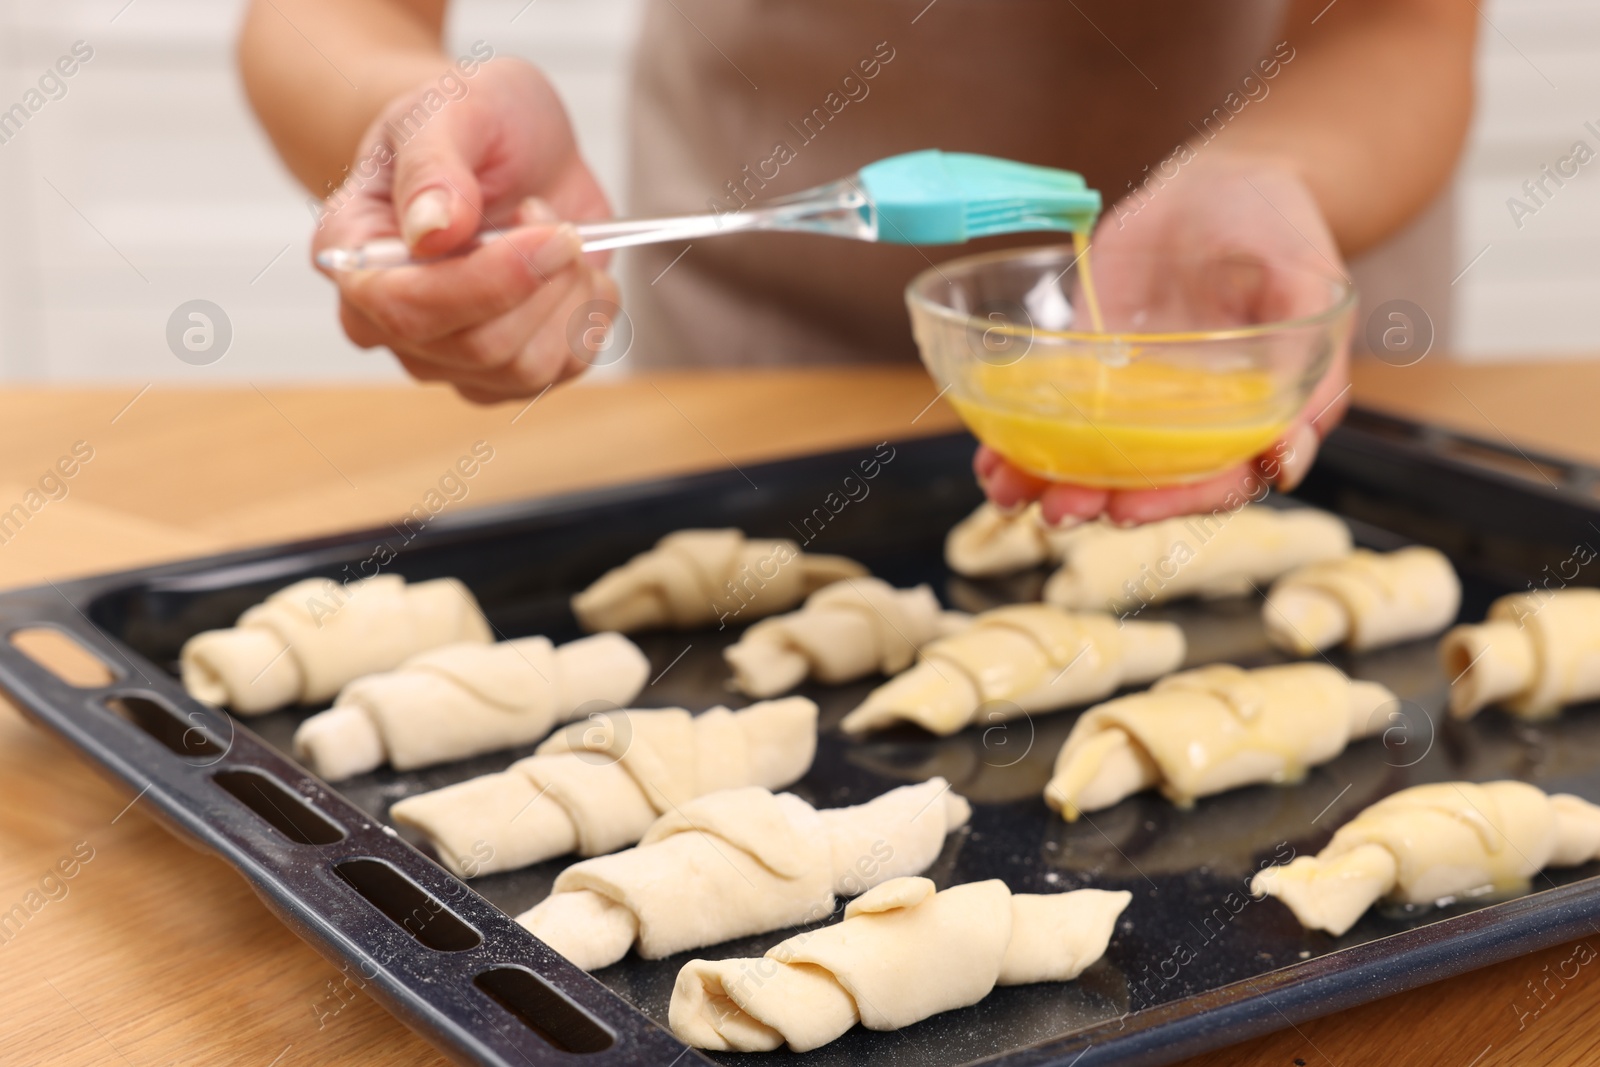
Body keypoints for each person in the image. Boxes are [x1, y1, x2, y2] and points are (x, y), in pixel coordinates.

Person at [239, 0, 1476, 524]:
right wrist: (424, 136)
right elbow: (325, 17)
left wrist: (1283, 170)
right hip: (760, 331)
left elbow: (1405, 23)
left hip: (1245, 294)